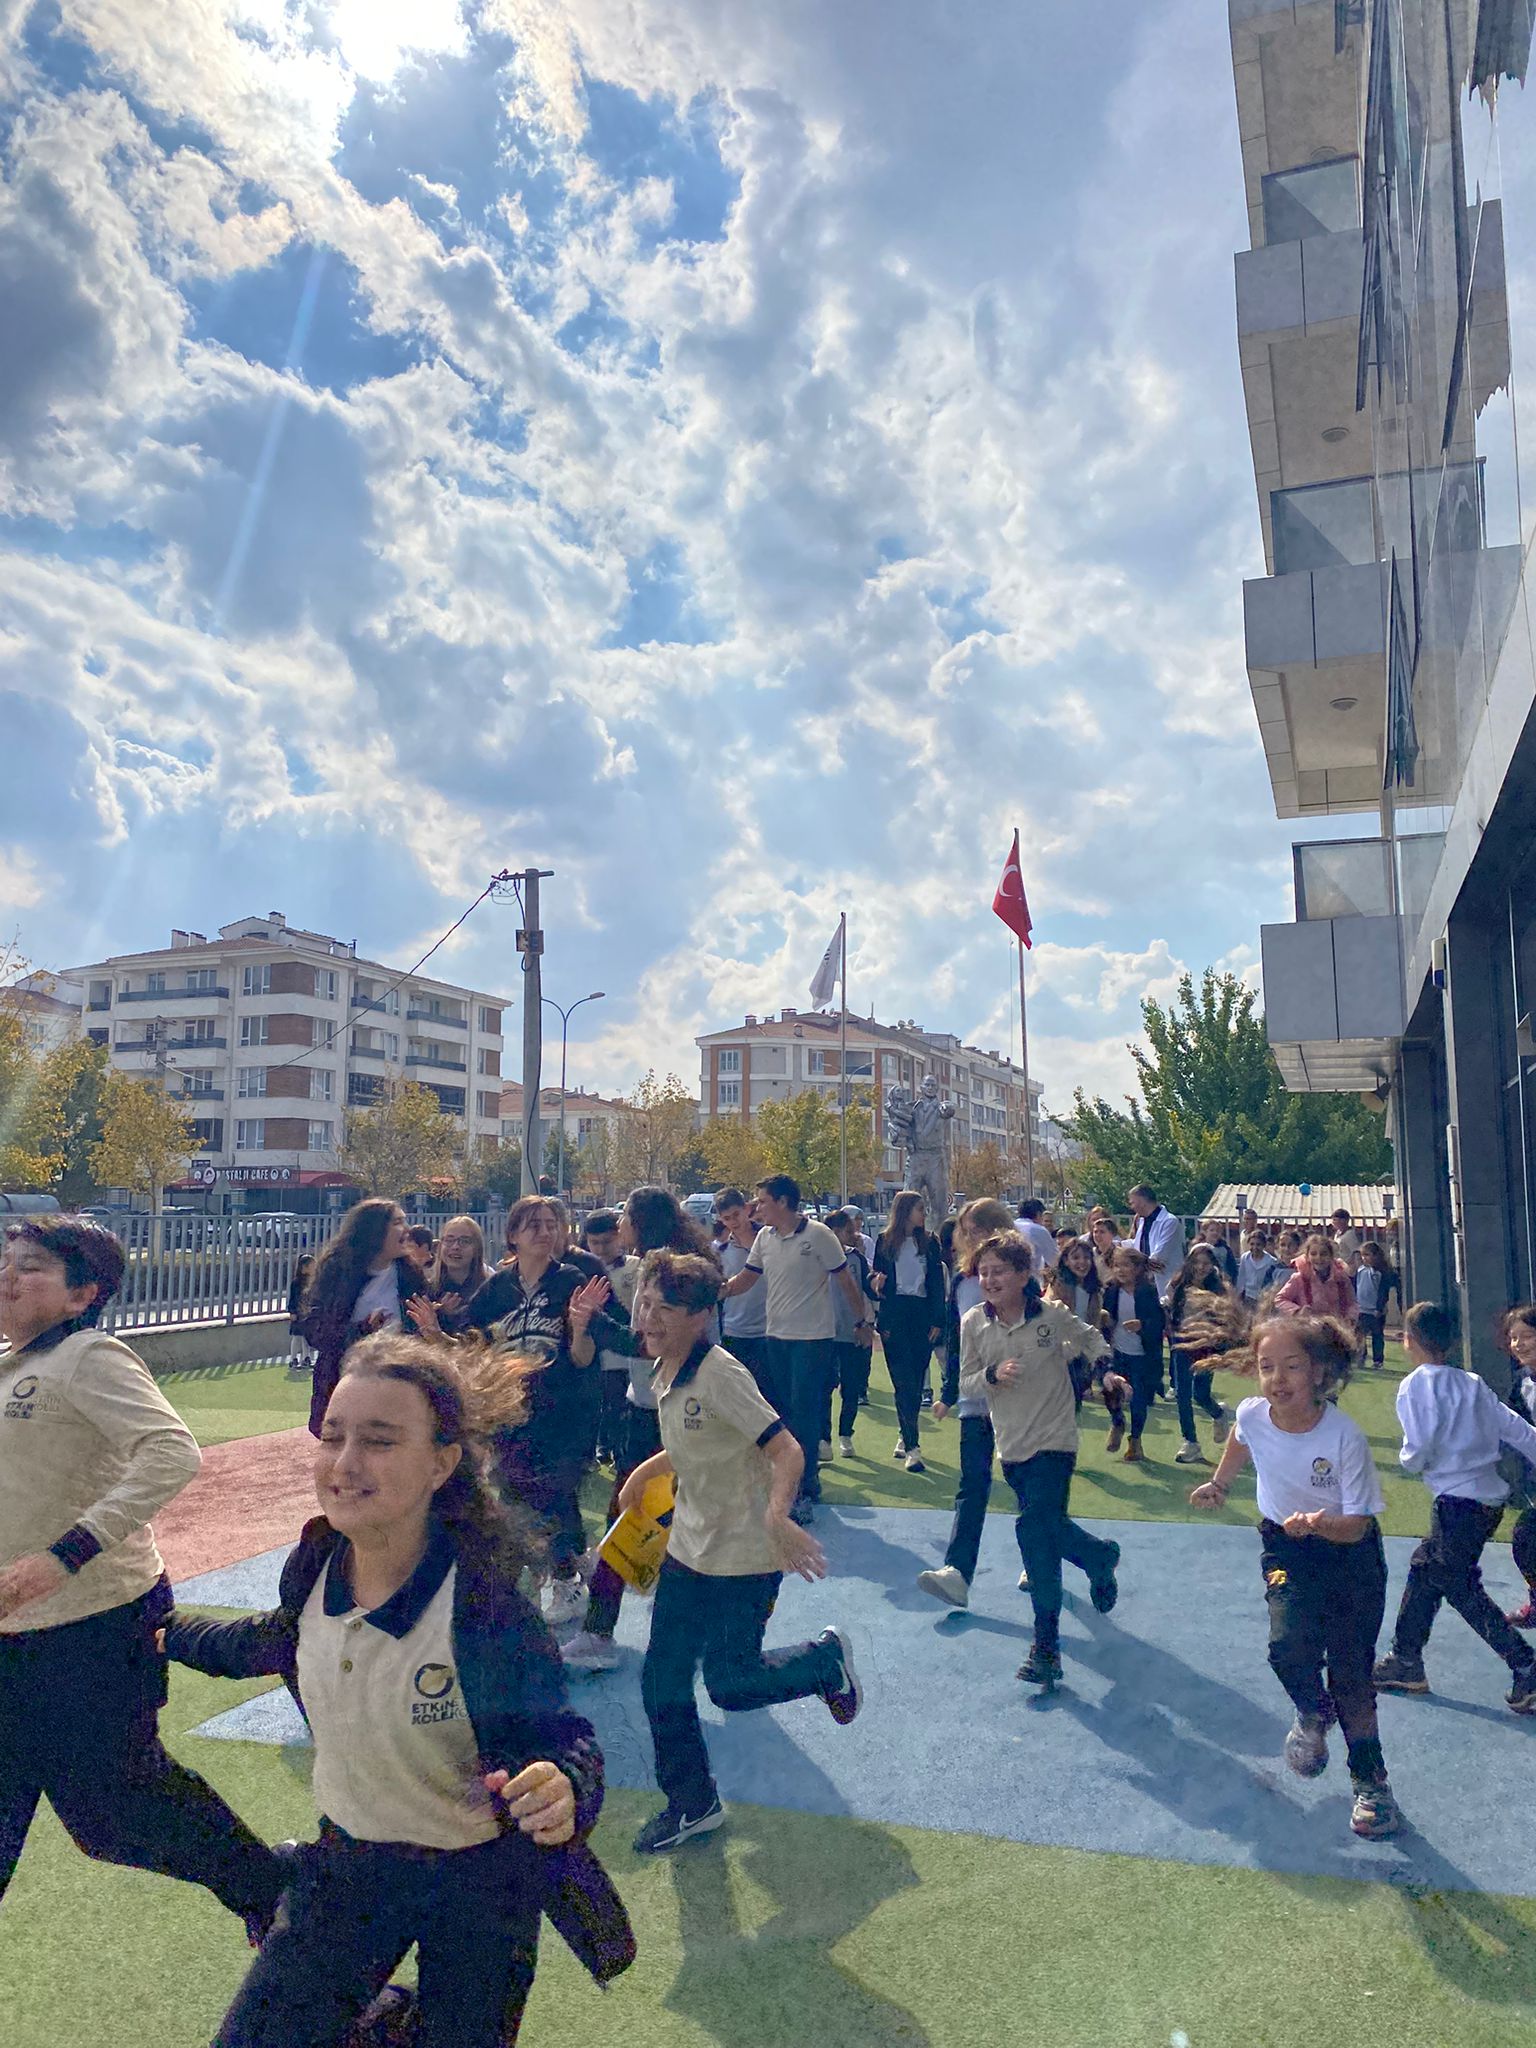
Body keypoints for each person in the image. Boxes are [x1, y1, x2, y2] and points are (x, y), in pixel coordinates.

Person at [165, 1331, 634, 2043]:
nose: (345, 1464)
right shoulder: (316, 1563)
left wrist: (565, 1786)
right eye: (333, 1436)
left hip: (480, 1886)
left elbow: (563, 1739)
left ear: (441, 1463)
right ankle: (384, 2020)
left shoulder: (481, 1607)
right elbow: (275, 1639)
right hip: (351, 1865)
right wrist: (171, 1633)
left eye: (380, 1441)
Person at [0, 1217, 284, 1933]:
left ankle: (276, 1892)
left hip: (88, 1628)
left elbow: (170, 1453)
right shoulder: (10, 1362)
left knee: (116, 1815)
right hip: (12, 1635)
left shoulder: (90, 1356)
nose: (7, 1275)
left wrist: (61, 1555)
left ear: (81, 1293)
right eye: (6, 1260)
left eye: (30, 1266)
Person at [621, 1253, 862, 1853]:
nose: (648, 1318)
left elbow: (786, 1450)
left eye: (666, 1310)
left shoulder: (721, 1375)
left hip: (747, 1555)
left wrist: (778, 1514)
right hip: (690, 1547)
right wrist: (643, 1474)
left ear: (703, 1316)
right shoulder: (665, 1367)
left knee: (731, 1684)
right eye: (646, 1303)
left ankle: (823, 1661)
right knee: (662, 1680)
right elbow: (696, 1446)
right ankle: (692, 1802)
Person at [1190, 1313, 1403, 1839]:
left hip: (1350, 1559)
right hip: (1286, 1550)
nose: (1277, 1379)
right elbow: (1241, 1438)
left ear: (1318, 1372)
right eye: (1267, 1367)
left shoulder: (1343, 1437)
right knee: (1286, 1647)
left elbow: (1356, 1526)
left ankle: (1371, 1784)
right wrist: (1220, 1482)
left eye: (1291, 1367)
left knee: (1352, 1676)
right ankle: (1313, 1711)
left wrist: (1321, 1522)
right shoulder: (1254, 1413)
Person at [417, 1197, 609, 1627]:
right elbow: (472, 1348)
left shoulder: (570, 1281)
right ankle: (570, 1561)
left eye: (550, 1225)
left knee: (554, 1490)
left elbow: (582, 1357)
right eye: (534, 1225)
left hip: (564, 1410)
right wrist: (434, 1335)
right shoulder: (497, 1290)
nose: (545, 1232)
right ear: (513, 1236)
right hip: (511, 1410)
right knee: (516, 1493)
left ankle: (565, 1576)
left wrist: (580, 1327)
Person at [959, 1233, 1118, 1688]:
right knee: (1046, 1531)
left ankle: (1045, 1648)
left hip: (1056, 1438)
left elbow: (1093, 1343)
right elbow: (965, 1381)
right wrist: (992, 1374)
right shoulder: (974, 1323)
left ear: (1023, 1275)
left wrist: (1108, 1373)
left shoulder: (1052, 1315)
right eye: (983, 1271)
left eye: (999, 1271)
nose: (989, 1279)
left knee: (1033, 1530)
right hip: (1011, 1446)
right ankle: (1099, 1555)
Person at [1373, 1301, 1536, 1712]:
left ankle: (1526, 1664)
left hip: (1457, 1504)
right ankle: (1405, 1658)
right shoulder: (1474, 1383)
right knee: (1426, 1569)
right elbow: (1517, 1430)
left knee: (1458, 1587)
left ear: (1408, 1341)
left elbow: (1419, 1448)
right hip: (1485, 1502)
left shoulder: (1414, 1386)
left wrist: (1410, 1461)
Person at [718, 1176, 862, 1523]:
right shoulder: (765, 1238)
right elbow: (747, 1279)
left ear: (782, 1202)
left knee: (804, 1413)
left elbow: (845, 1280)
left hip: (813, 1340)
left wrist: (862, 1323)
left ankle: (805, 1488)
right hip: (775, 1338)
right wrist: (714, 1292)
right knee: (780, 1412)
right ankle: (788, 1482)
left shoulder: (819, 1235)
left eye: (762, 1201)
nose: (756, 1208)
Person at [917, 1199, 1014, 1609]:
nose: (970, 1238)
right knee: (972, 1485)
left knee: (1029, 1488)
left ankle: (1088, 1553)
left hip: (1018, 1397)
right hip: (977, 1397)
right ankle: (957, 1572)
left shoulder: (1018, 1276)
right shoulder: (961, 1280)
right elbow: (958, 1343)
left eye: (978, 1230)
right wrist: (948, 1391)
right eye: (967, 1231)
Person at [299, 1200, 427, 1439]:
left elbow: (419, 1329)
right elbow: (316, 1332)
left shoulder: (410, 1274)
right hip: (346, 1381)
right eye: (398, 1222)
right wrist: (363, 1330)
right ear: (375, 1230)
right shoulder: (338, 1272)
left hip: (396, 1382)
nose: (407, 1229)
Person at [871, 1191, 947, 1474]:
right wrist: (874, 1284)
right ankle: (913, 1447)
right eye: (918, 1209)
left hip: (921, 1315)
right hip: (895, 1316)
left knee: (915, 1382)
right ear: (904, 1211)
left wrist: (938, 1319)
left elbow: (937, 1283)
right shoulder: (885, 1241)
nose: (923, 1214)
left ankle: (906, 1432)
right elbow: (876, 1281)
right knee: (902, 1381)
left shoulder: (930, 1243)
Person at [1165, 1245, 1234, 1466]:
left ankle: (1218, 1414)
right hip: (1182, 1344)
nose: (1201, 1267)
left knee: (1200, 1394)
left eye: (1206, 1263)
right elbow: (1168, 1305)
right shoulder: (1178, 1284)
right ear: (1189, 1263)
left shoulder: (1219, 1288)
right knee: (1182, 1394)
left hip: (1206, 1345)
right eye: (1197, 1262)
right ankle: (1190, 1442)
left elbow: (1227, 1318)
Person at [580, 1209, 637, 1472]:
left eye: (607, 1242)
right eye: (595, 1243)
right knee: (596, 1402)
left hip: (625, 1351)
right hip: (592, 1351)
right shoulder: (581, 1271)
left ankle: (616, 1450)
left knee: (619, 1403)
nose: (601, 1249)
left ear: (619, 1237)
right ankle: (597, 1449)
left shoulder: (634, 1268)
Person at [1099, 1245, 1166, 1461]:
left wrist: (1142, 1324)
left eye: (1126, 1265)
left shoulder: (1147, 1291)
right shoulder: (1110, 1289)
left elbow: (1159, 1322)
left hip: (1142, 1355)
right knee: (1110, 1392)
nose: (1121, 1270)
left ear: (1137, 1268)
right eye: (1117, 1266)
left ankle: (1135, 1441)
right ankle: (1117, 1422)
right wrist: (1105, 1320)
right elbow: (1104, 1318)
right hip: (1116, 1351)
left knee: (1138, 1400)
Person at [824, 1209, 876, 1457]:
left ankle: (846, 1434)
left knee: (851, 1388)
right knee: (823, 1387)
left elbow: (870, 1287)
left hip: (852, 1330)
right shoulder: (816, 1258)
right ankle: (824, 1438)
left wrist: (879, 1286)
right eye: (846, 1231)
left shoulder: (855, 1259)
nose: (850, 1235)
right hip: (822, 1334)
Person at [713, 1187, 770, 1396]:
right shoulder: (719, 1253)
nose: (733, 1222)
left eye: (736, 1215)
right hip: (734, 1332)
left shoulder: (769, 1240)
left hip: (768, 1332)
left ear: (747, 1209)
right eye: (727, 1218)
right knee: (737, 1396)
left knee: (770, 1398)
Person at [1500, 1306, 1536, 1629]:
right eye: (1514, 1338)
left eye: (1527, 1336)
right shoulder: (1521, 1381)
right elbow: (1509, 1426)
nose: (1519, 1344)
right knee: (1527, 1541)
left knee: (1527, 1535)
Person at [1274, 1235, 1358, 1323]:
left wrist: (1351, 1317)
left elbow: (1352, 1303)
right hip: (1309, 1329)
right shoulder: (1299, 1278)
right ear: (1307, 1256)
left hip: (1336, 1328)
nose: (1319, 1258)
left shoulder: (1341, 1278)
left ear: (1331, 1256)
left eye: (1323, 1254)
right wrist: (1297, 1311)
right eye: (1313, 1254)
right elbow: (1280, 1299)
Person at [1126, 1185, 1185, 1299]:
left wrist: (1135, 1260)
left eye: (1132, 1202)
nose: (1131, 1207)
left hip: (1165, 1282)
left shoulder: (1169, 1221)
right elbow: (1139, 1246)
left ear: (1142, 1201)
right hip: (1145, 1283)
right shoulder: (1142, 1221)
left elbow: (1159, 1256)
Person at [428, 1217, 494, 1312]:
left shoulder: (491, 1291)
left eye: (464, 1241)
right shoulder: (427, 1290)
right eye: (449, 1240)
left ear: (477, 1248)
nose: (456, 1247)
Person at [1352, 1242, 1399, 1368]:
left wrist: (1379, 1307)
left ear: (1376, 1256)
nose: (1364, 1258)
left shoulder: (1381, 1273)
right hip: (1361, 1308)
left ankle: (1378, 1360)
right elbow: (1356, 1287)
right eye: (1362, 1255)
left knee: (1377, 1336)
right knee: (1359, 1336)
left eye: (1367, 1255)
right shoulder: (1361, 1270)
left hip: (1375, 1310)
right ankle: (1360, 1357)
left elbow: (1383, 1292)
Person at [1236, 1229, 1282, 1308]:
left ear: (1264, 1245)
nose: (1255, 1247)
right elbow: (1241, 1278)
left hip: (1263, 1298)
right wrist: (1238, 1295)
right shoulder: (1245, 1258)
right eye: (1252, 1244)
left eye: (1258, 1244)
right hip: (1248, 1297)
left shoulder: (1271, 1261)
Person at [286, 1253, 315, 1378]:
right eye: (311, 1265)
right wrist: (292, 1311)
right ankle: (293, 1359)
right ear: (304, 1267)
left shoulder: (312, 1281)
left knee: (306, 1337)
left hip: (308, 1313)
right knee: (297, 1337)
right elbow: (292, 1298)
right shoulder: (296, 1283)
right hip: (298, 1314)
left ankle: (306, 1358)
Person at [1013, 1198, 1059, 1275]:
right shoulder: (1038, 1230)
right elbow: (1054, 1260)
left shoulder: (1010, 1226)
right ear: (1038, 1214)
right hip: (1029, 1279)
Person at [1197, 1218, 1238, 1285]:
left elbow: (1232, 1268)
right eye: (1212, 1230)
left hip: (1221, 1282)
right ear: (1205, 1232)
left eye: (1217, 1230)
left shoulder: (1225, 1249)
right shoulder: (1199, 1248)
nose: (1215, 1233)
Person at [1088, 1214, 1124, 1286]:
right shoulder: (1090, 1254)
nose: (1097, 1235)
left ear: (1112, 1234)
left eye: (1102, 1232)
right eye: (1095, 1232)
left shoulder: (1120, 1254)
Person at [1330, 1210, 1363, 1275]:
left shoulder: (1350, 1235)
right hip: (1339, 1267)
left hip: (1349, 1268)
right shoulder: (1337, 1233)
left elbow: (1356, 1252)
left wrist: (1358, 1269)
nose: (1333, 1222)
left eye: (1335, 1220)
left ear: (1344, 1220)